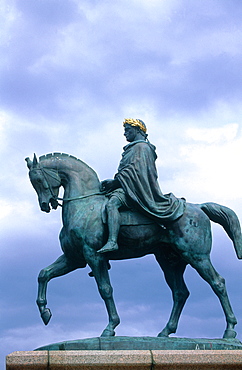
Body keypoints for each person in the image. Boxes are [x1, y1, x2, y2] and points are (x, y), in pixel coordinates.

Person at [97, 118, 185, 253]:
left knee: (112, 204)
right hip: (127, 187)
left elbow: (136, 171)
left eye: (128, 130)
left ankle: (112, 241)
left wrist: (116, 181)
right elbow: (129, 171)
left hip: (136, 190)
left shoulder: (142, 147)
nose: (125, 134)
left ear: (138, 130)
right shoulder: (134, 148)